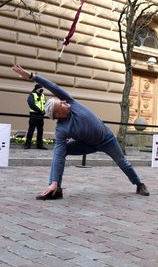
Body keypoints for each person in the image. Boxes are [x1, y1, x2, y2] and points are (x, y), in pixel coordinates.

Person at [11, 64, 150, 199]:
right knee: (60, 151)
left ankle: (139, 184)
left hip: (107, 139)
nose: (65, 102)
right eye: (62, 104)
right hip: (88, 145)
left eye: (63, 101)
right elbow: (59, 154)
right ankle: (55, 189)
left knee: (123, 162)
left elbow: (52, 87)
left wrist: (32, 76)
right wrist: (54, 181)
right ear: (58, 114)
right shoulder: (61, 129)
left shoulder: (72, 103)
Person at [24, 84, 47, 149]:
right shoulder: (32, 95)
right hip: (34, 115)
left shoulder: (42, 95)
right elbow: (31, 104)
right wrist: (40, 111)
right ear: (36, 89)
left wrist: (45, 111)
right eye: (40, 89)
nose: (41, 90)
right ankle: (27, 144)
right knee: (31, 129)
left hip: (41, 115)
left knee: (40, 130)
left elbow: (45, 104)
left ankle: (40, 145)